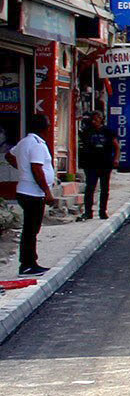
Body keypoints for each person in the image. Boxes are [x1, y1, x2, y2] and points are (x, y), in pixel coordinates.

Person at [6, 111, 57, 277]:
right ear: (45, 127)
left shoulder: (25, 141)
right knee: (31, 230)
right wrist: (47, 192)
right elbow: (37, 169)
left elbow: (9, 155)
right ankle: (27, 265)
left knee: (31, 229)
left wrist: (21, 168)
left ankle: (30, 262)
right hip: (32, 193)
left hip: (25, 190)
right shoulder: (36, 144)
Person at [77, 109, 114, 220]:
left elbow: (116, 146)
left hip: (105, 163)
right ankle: (88, 211)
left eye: (97, 119)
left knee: (104, 188)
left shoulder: (107, 131)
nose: (95, 121)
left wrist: (115, 160)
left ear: (101, 119)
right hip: (91, 164)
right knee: (90, 188)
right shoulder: (88, 131)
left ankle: (103, 211)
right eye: (93, 119)